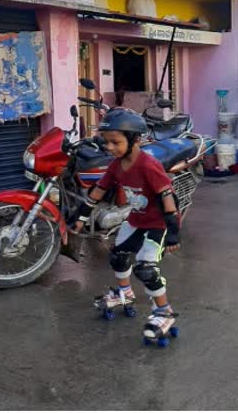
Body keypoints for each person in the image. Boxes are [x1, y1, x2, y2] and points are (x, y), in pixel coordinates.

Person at [70, 108, 181, 341]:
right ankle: (125, 294)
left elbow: (168, 198)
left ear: (135, 140)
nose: (109, 147)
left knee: (146, 269)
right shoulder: (116, 165)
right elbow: (99, 190)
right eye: (106, 142)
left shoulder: (148, 165)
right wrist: (81, 216)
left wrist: (173, 233)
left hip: (157, 224)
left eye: (115, 142)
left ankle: (164, 311)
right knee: (118, 256)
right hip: (136, 220)